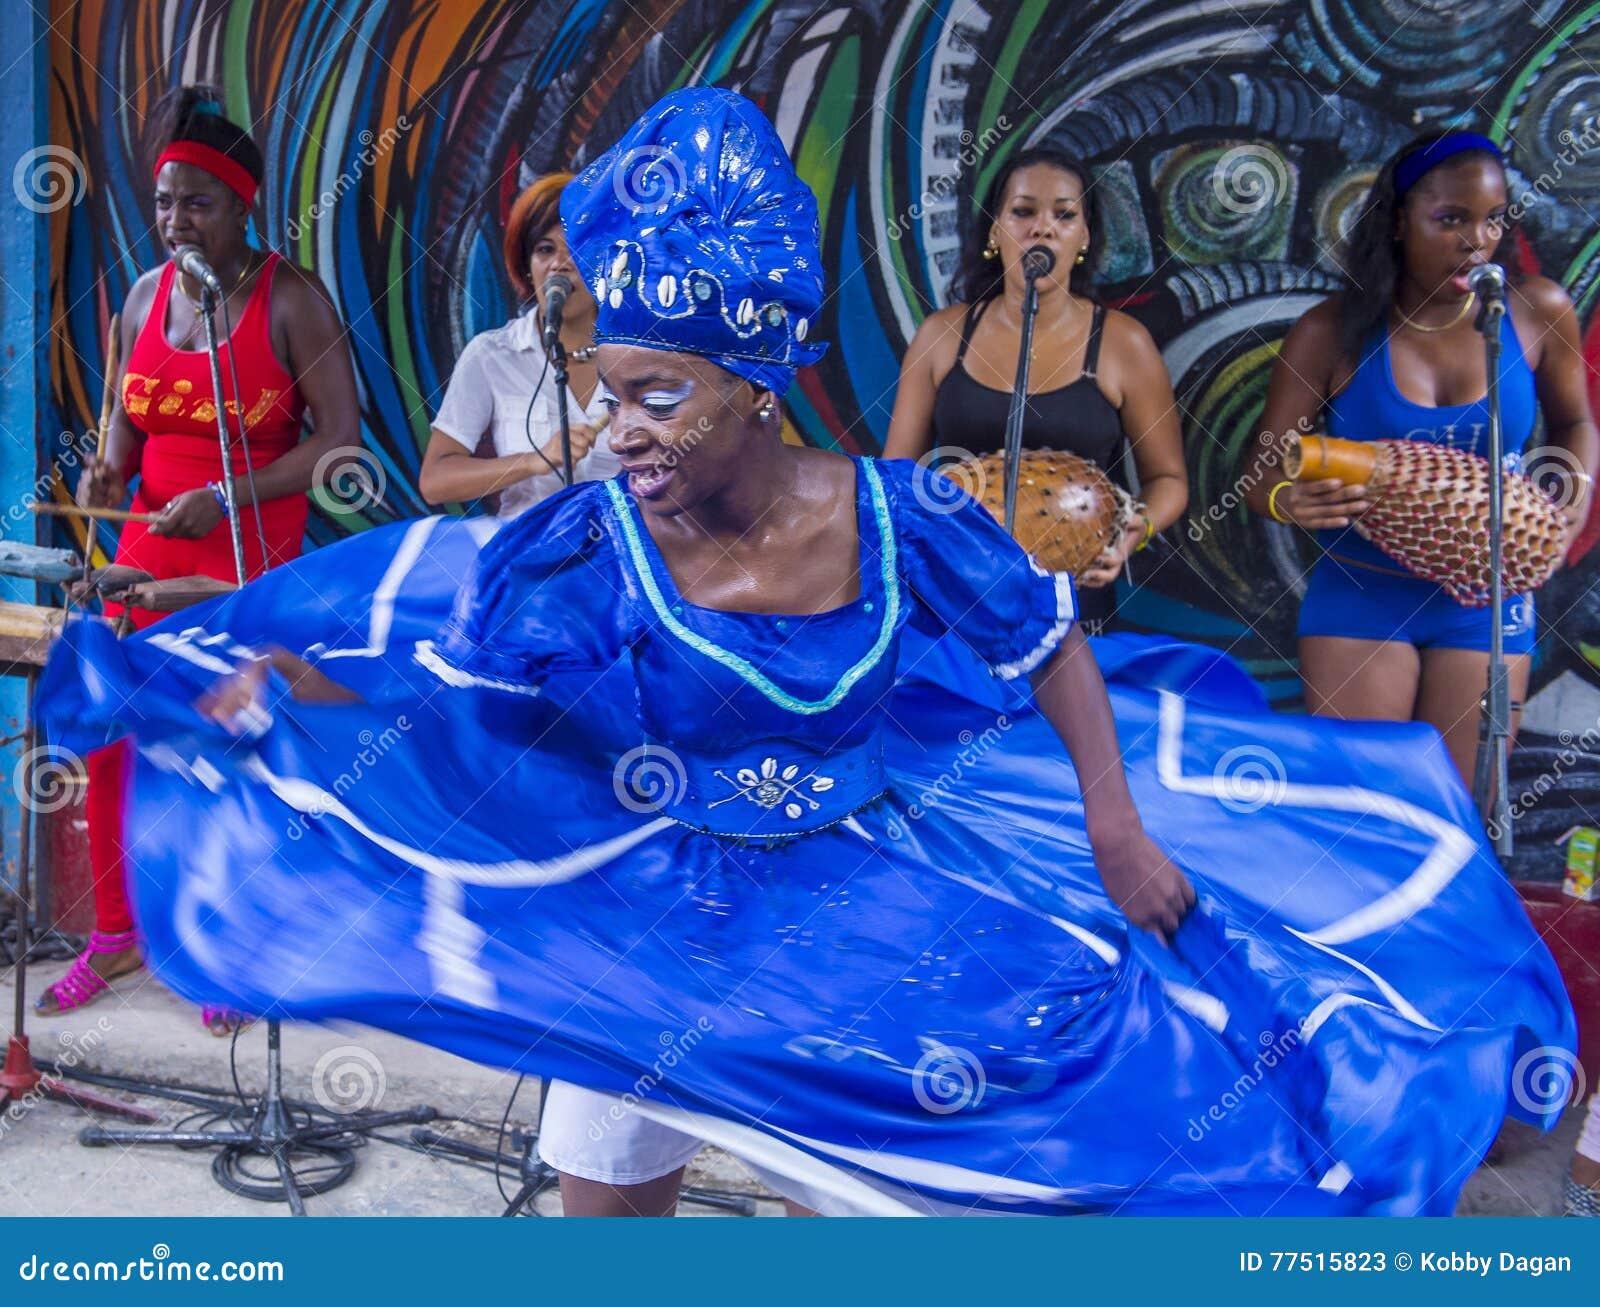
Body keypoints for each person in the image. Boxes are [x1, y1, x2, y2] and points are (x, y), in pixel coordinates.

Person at [38, 90, 1573, 1217]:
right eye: (605, 390)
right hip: (660, 901)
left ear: (758, 385)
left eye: (654, 397)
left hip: (883, 878)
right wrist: (275, 695)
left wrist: (1114, 828)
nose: (614, 433)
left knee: (1008, 1153)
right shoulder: (584, 547)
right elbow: (436, 672)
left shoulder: (911, 521)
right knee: (605, 1197)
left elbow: (1049, 643)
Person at [36, 86, 362, 1032]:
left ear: (243, 205)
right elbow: (121, 440)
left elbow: (339, 443)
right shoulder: (141, 296)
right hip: (148, 542)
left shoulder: (291, 299)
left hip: (248, 543)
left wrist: (221, 496)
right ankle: (115, 932)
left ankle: (231, 943)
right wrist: (102, 471)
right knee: (107, 731)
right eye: (166, 201)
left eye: (199, 204)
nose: (176, 222)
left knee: (222, 743)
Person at [1247, 132, 1597, 783]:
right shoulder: (1332, 331)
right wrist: (1285, 499)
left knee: (1463, 816)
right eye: (1451, 219)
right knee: (1368, 812)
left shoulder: (1535, 311)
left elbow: (1577, 418)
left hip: (1488, 600)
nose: (1477, 240)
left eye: (1493, 219)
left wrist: (1571, 496)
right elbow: (1261, 470)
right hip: (1361, 590)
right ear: (1400, 220)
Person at [884, 149, 1187, 632]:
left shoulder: (1122, 343)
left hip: (1072, 607)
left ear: (1084, 237)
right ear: (994, 230)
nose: (1042, 228)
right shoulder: (942, 337)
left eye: (1064, 215)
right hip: (958, 604)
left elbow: (1169, 480)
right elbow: (897, 477)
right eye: (1023, 212)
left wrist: (1129, 535)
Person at [419, 172, 620, 518]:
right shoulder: (492, 355)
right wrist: (534, 461)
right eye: (545, 249)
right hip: (527, 556)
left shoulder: (640, 353)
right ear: (527, 268)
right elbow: (436, 481)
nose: (560, 263)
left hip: (626, 554)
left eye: (577, 248)